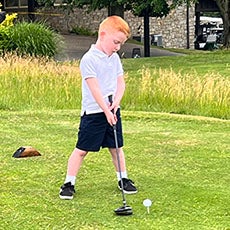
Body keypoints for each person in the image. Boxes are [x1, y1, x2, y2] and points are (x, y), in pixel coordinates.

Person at [59, 15, 137, 200]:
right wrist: (105, 111)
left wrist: (117, 102)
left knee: (116, 148)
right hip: (93, 112)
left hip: (112, 110)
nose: (118, 47)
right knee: (82, 150)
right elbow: (94, 88)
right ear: (103, 35)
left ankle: (123, 179)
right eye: (116, 42)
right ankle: (69, 183)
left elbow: (121, 83)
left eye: (121, 44)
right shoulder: (88, 59)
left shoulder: (115, 58)